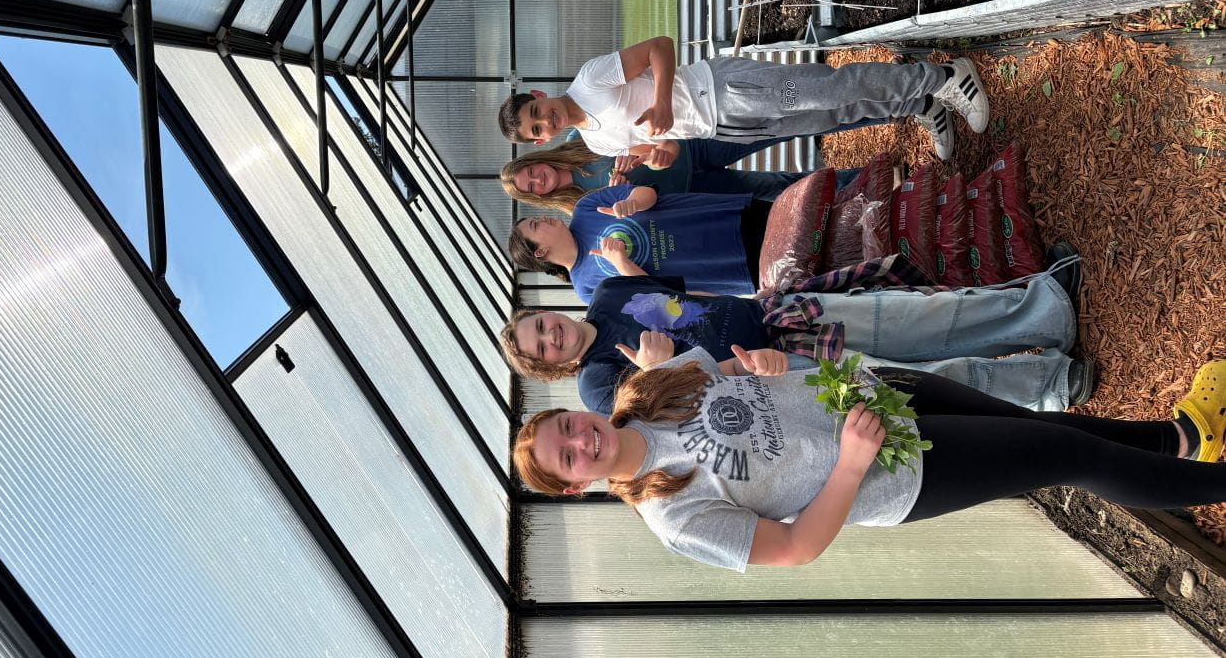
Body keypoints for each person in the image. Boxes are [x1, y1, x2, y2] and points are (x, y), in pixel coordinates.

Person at [513, 357, 1226, 571]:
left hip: (883, 393)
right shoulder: (674, 516)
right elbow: (792, 549)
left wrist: (764, 359)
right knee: (1063, 457)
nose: (581, 440)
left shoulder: (647, 392)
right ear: (577, 483)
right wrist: (851, 465)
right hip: (899, 472)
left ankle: (1182, 437)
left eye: (566, 427)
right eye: (566, 457)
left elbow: (743, 364)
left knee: (1041, 431)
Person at [499, 255, 1094, 414]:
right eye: (542, 347)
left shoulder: (607, 293)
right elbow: (671, 416)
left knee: (919, 318)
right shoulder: (599, 386)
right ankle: (1051, 384)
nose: (551, 335)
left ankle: (1046, 309)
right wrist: (656, 373)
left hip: (781, 316)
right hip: (777, 374)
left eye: (542, 324)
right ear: (551, 366)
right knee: (924, 383)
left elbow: (682, 299)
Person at [496, 36, 988, 162]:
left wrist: (664, 99)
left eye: (537, 112)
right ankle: (920, 105)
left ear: (539, 95)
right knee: (831, 115)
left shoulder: (589, 82)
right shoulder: (598, 145)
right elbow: (663, 147)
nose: (546, 122)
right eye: (538, 130)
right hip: (725, 127)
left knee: (832, 88)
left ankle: (942, 76)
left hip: (725, 88)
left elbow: (660, 49)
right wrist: (661, 158)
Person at [508, 184, 770, 302]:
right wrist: (621, 263)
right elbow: (655, 297)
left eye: (536, 217)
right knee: (810, 256)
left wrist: (633, 202)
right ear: (540, 251)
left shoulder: (585, 208)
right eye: (535, 225)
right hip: (730, 268)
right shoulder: (587, 290)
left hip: (727, 218)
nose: (543, 218)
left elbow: (648, 192)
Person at [499, 137, 862, 214]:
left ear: (536, 160)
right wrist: (622, 197)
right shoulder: (582, 207)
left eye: (531, 171)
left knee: (774, 131)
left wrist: (633, 152)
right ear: (536, 196)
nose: (537, 179)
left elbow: (634, 127)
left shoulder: (578, 141)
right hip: (693, 189)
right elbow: (632, 221)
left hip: (693, 147)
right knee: (779, 188)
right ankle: (863, 180)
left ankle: (874, 111)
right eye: (530, 187)